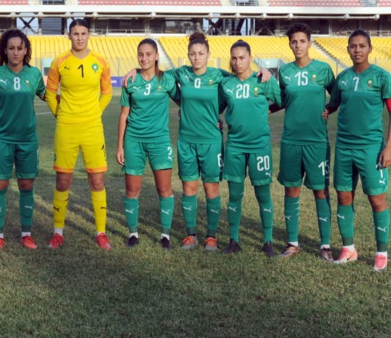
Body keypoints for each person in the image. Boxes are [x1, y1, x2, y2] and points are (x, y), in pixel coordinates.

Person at [123, 32, 269, 251]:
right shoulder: (180, 74)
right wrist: (135, 69)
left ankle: (211, 236)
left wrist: (263, 71)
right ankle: (191, 235)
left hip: (211, 140)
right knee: (189, 188)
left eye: (201, 53)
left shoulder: (219, 75)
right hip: (186, 140)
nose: (197, 57)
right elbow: (152, 72)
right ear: (188, 55)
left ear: (208, 54)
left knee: (211, 190)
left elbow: (241, 77)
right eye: (193, 54)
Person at [325, 29, 391, 272]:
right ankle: (349, 248)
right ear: (347, 49)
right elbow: (334, 104)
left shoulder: (381, 77)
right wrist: (324, 110)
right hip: (344, 147)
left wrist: (388, 147)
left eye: (361, 46)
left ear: (370, 49)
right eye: (353, 46)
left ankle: (381, 252)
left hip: (371, 148)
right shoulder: (343, 78)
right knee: (344, 196)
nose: (357, 50)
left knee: (376, 199)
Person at [45, 19, 113, 250]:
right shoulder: (59, 63)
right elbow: (49, 92)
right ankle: (57, 232)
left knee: (97, 180)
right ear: (69, 35)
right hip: (66, 127)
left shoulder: (100, 62)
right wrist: (60, 115)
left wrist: (94, 113)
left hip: (93, 128)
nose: (80, 38)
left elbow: (107, 93)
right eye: (76, 34)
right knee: (63, 180)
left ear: (89, 35)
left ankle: (101, 232)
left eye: (84, 33)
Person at [0, 29, 46, 251]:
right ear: (4, 51)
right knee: (0, 185)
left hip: (27, 140)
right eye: (11, 48)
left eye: (19, 48)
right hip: (1, 138)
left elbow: (50, 96)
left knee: (26, 185)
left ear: (26, 50)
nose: (15, 52)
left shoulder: (34, 75)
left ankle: (26, 234)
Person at [274, 23, 335, 261]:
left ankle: (326, 246)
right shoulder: (285, 72)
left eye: (301, 41)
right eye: (293, 41)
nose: (297, 45)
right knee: (292, 190)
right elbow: (280, 101)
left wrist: (330, 108)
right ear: (289, 44)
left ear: (309, 43)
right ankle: (292, 243)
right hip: (291, 141)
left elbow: (338, 94)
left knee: (320, 191)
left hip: (317, 142)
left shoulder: (323, 69)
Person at [219, 40, 281, 257]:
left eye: (242, 57)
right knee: (235, 194)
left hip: (260, 146)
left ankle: (267, 241)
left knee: (263, 194)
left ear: (250, 58)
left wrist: (264, 111)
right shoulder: (227, 84)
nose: (237, 62)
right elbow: (216, 107)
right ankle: (234, 240)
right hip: (235, 146)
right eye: (234, 58)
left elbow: (281, 101)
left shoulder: (264, 80)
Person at [116, 38, 179, 249]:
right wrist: (120, 146)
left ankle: (165, 235)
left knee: (164, 189)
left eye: (148, 54)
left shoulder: (167, 81)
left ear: (156, 56)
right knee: (132, 189)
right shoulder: (130, 81)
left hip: (160, 141)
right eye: (140, 55)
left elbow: (185, 100)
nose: (144, 58)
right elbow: (124, 115)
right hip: (133, 140)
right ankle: (133, 233)